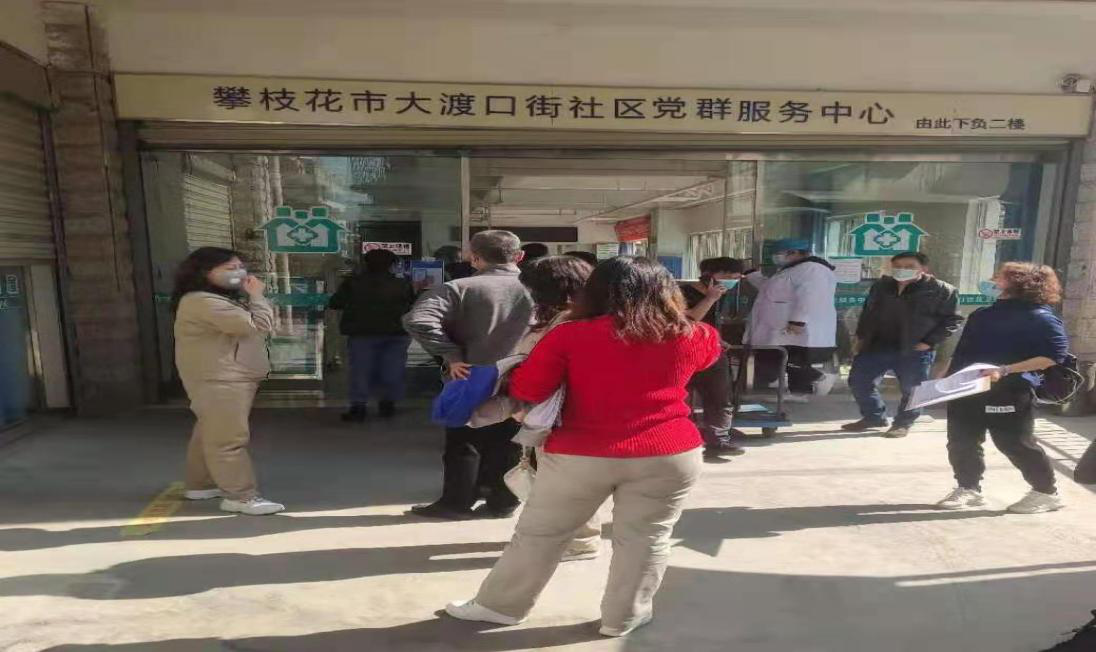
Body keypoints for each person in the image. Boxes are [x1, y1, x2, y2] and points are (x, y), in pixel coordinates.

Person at [444, 256, 720, 637]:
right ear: (667, 290)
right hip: (670, 452)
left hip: (580, 452)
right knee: (647, 537)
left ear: (596, 291)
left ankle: (499, 608)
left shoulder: (570, 335)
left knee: (541, 535)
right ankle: (624, 617)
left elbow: (529, 389)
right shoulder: (696, 334)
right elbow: (704, 359)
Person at [403, 230, 534, 520]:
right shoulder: (537, 289)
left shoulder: (457, 288)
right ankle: (503, 501)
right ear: (519, 256)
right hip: (523, 374)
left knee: (464, 438)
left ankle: (456, 502)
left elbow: (418, 320)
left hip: (472, 373)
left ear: (473, 258)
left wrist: (451, 354)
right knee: (510, 437)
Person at [936, 262, 1069, 514]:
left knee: (1014, 443)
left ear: (1020, 283)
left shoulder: (1040, 316)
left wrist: (1006, 369)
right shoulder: (982, 314)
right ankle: (968, 488)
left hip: (1009, 389)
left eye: (999, 277)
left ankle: (1046, 492)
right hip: (967, 387)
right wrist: (945, 372)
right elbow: (963, 349)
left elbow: (1053, 356)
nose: (992, 281)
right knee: (961, 441)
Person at [172, 247, 283, 516]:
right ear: (204, 272)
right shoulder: (203, 301)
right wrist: (257, 296)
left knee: (209, 430)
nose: (239, 273)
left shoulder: (208, 299)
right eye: (229, 268)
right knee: (228, 439)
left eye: (240, 267)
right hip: (222, 377)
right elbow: (257, 325)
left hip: (222, 375)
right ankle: (241, 496)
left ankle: (201, 484)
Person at [512, 255, 602, 561]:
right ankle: (579, 538)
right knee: (577, 483)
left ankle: (580, 542)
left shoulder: (560, 325)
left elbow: (535, 373)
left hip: (561, 415)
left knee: (564, 485)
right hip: (591, 411)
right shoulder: (602, 317)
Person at [842, 252, 963, 438]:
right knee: (859, 381)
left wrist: (928, 342)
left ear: (924, 269)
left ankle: (903, 423)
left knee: (912, 390)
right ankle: (873, 416)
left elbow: (953, 320)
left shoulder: (941, 290)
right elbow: (868, 312)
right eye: (898, 266)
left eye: (909, 266)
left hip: (914, 348)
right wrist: (861, 337)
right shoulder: (882, 286)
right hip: (877, 345)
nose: (902, 270)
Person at [328, 248, 416, 421]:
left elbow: (335, 302)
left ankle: (359, 407)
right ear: (391, 265)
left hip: (362, 333)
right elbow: (411, 304)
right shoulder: (402, 284)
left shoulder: (353, 283)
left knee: (360, 370)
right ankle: (387, 404)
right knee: (393, 369)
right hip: (396, 333)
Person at [746, 238, 838, 399]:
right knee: (778, 358)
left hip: (798, 328)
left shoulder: (813, 269)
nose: (776, 257)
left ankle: (812, 381)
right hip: (780, 327)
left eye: (779, 254)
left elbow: (811, 296)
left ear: (795, 252)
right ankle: (799, 390)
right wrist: (752, 275)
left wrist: (798, 321)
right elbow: (771, 290)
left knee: (791, 360)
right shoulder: (791, 270)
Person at [681, 257, 747, 458]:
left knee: (720, 398)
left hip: (713, 352)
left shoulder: (722, 295)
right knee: (684, 398)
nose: (731, 280)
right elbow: (688, 320)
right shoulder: (683, 293)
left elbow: (710, 324)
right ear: (709, 274)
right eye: (726, 275)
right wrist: (709, 298)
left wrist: (717, 339)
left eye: (735, 277)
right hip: (685, 353)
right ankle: (685, 441)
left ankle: (719, 441)